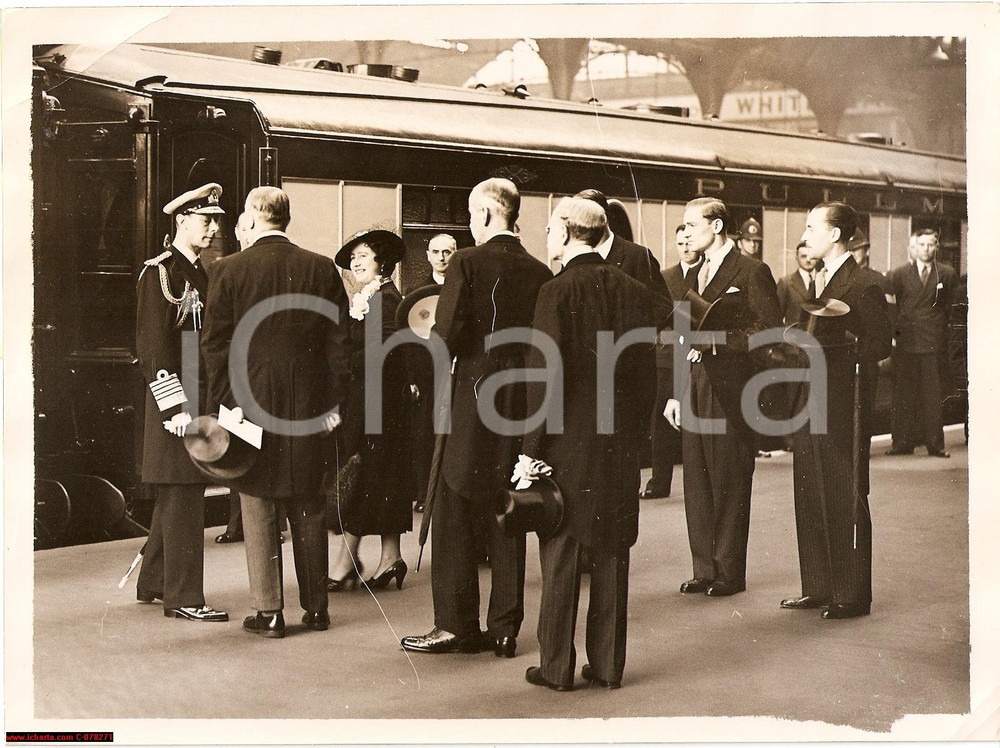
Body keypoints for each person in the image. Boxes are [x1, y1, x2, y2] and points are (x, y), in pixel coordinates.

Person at [401, 178, 552, 657]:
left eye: (470, 215)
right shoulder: (539, 270)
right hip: (521, 404)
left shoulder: (467, 261)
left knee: (451, 510)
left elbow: (444, 335)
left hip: (470, 402)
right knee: (507, 508)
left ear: (487, 215)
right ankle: (506, 628)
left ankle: (454, 625)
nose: (470, 223)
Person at [521, 197, 663, 692]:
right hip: (618, 442)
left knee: (561, 552)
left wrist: (530, 449)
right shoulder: (635, 290)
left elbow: (546, 375)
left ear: (564, 233)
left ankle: (556, 666)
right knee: (612, 551)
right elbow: (647, 372)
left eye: (549, 230)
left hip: (567, 442)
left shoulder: (554, 292)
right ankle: (608, 666)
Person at [201, 186, 348, 638]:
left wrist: (226, 404)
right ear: (287, 219)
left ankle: (269, 612)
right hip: (309, 403)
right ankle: (317, 608)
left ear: (251, 217)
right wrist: (333, 407)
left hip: (250, 400)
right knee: (308, 500)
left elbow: (215, 346)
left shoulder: (227, 270)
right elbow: (339, 346)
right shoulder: (321, 268)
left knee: (258, 500)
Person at [664, 197, 782, 597]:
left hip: (730, 389)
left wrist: (715, 344)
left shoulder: (752, 271)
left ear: (716, 226)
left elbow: (768, 334)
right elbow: (682, 337)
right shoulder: (693, 274)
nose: (685, 233)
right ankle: (704, 567)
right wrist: (676, 394)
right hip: (695, 383)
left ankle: (729, 571)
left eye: (691, 225)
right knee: (696, 475)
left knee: (729, 477)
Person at [780, 202, 892, 619]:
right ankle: (818, 586)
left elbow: (879, 344)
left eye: (812, 227)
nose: (806, 234)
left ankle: (850, 594)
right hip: (811, 400)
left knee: (843, 493)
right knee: (809, 490)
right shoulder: (821, 281)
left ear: (836, 235)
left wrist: (845, 344)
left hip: (843, 405)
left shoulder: (861, 284)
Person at [134, 183, 228, 622]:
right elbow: (154, 349)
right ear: (181, 221)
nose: (213, 228)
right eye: (205, 220)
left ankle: (154, 580)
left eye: (216, 221)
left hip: (196, 399)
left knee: (177, 492)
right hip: (177, 405)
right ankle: (185, 597)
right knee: (185, 494)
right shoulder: (161, 273)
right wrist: (175, 410)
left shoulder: (198, 272)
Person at [327, 229, 413, 591]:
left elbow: (384, 353)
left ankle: (344, 562)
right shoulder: (371, 298)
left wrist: (339, 361)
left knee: (365, 474)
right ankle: (391, 557)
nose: (355, 262)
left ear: (382, 261)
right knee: (382, 477)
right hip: (375, 402)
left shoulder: (386, 299)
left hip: (380, 405)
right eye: (353, 258)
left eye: (363, 256)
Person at [886, 228, 959, 457]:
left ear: (936, 247)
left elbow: (951, 307)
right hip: (906, 341)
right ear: (914, 248)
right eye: (922, 245)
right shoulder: (898, 274)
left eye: (931, 244)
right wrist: (894, 335)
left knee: (933, 395)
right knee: (903, 395)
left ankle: (935, 445)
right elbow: (892, 308)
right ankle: (901, 443)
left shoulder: (946, 274)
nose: (926, 249)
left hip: (933, 342)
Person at [644, 225, 698, 499]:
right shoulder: (665, 277)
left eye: (689, 241)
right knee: (662, 420)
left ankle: (697, 483)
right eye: (680, 243)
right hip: (668, 357)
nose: (686, 247)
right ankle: (659, 480)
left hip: (697, 352)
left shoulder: (707, 274)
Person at [409, 233, 456, 513]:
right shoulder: (417, 292)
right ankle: (425, 493)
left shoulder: (462, 287)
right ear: (428, 255)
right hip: (427, 372)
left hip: (454, 366)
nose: (441, 257)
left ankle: (448, 490)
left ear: (455, 253)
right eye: (436, 252)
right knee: (424, 431)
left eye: (447, 252)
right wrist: (413, 377)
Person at [574, 189, 669, 297]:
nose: (577, 228)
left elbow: (663, 307)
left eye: (585, 219)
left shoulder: (638, 257)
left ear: (603, 219)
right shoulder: (576, 256)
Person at [777, 242, 820, 325]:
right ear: (797, 258)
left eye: (811, 257)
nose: (808, 260)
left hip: (818, 335)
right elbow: (777, 315)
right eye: (803, 256)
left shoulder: (823, 279)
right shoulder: (786, 282)